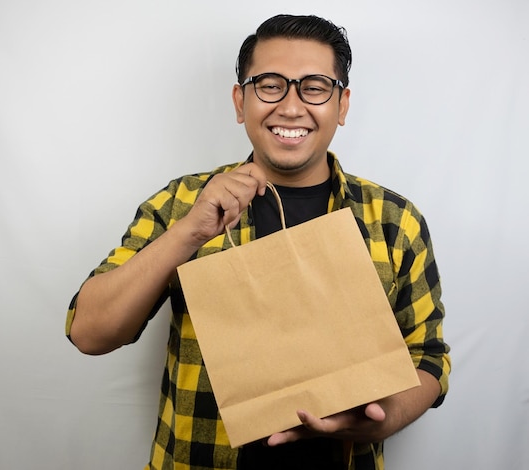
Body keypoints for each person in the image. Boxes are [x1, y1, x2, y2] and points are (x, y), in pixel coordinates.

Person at [65, 14, 451, 470]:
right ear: (240, 100)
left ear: (342, 106)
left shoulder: (394, 221)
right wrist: (189, 232)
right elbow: (88, 332)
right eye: (270, 85)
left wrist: (381, 421)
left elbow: (427, 358)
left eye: (314, 87)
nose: (290, 107)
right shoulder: (181, 203)